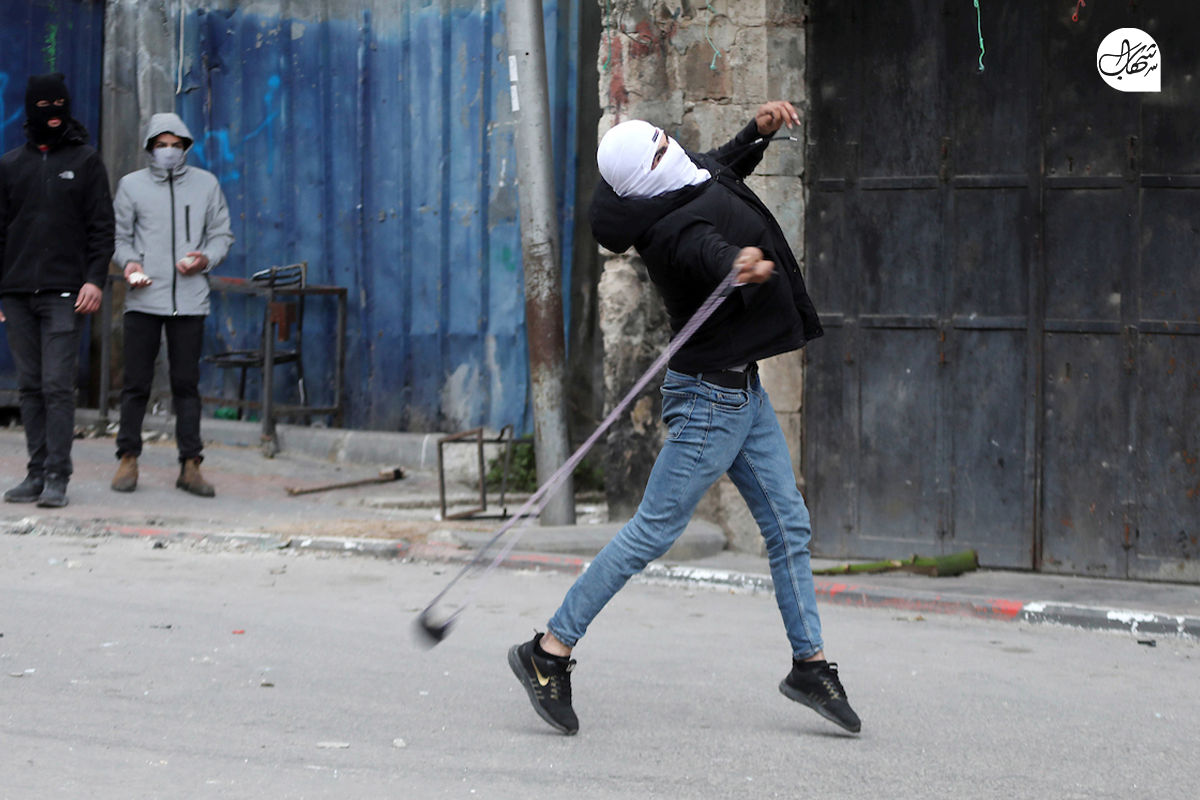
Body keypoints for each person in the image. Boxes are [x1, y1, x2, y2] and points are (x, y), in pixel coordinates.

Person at [509, 102, 861, 736]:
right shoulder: (672, 232)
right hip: (708, 402)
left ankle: (809, 666)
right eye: (657, 149)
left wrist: (754, 135)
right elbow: (707, 248)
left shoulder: (675, 177)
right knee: (652, 531)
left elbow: (716, 169)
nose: (669, 146)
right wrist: (738, 265)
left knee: (788, 525)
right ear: (641, 179)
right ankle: (549, 651)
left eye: (662, 136)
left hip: (741, 393)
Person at [0, 73, 114, 508]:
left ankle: (56, 477)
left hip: (65, 293)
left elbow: (102, 228)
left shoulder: (86, 162)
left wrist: (94, 279)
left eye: (59, 105)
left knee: (56, 385)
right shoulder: (11, 165)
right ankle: (34, 473)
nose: (53, 114)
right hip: (17, 294)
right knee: (30, 386)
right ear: (31, 110)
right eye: (44, 106)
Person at [110, 113, 233, 496]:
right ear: (150, 148)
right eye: (161, 145)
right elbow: (119, 237)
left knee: (186, 384)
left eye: (176, 145)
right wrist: (130, 263)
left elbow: (221, 234)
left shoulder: (206, 184)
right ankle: (128, 459)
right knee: (136, 383)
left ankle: (190, 465)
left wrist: (205, 258)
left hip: (190, 301)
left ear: (186, 147)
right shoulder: (131, 185)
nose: (168, 151)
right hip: (143, 298)